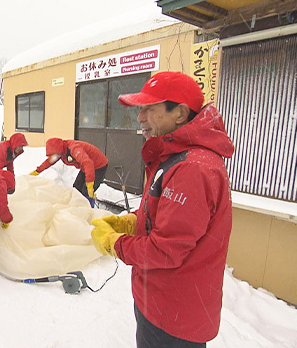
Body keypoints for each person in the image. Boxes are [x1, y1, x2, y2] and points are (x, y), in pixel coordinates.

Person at [90, 71, 235, 347]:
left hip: (174, 319)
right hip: (159, 304)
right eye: (140, 109)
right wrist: (131, 222)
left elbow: (165, 249)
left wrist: (114, 244)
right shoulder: (174, 157)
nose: (140, 117)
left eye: (149, 109)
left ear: (179, 114)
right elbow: (163, 217)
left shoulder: (192, 169)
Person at [29, 138, 108, 202]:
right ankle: (77, 209)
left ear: (58, 150)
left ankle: (89, 212)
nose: (54, 156)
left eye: (54, 154)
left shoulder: (74, 149)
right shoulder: (60, 152)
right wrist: (37, 171)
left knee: (86, 192)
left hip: (98, 165)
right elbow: (49, 162)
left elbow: (88, 163)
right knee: (76, 189)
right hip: (85, 167)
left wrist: (90, 185)